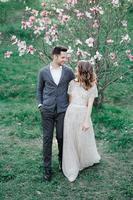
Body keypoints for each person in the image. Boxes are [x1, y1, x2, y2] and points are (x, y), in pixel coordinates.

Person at [37, 46, 75, 181]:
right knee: (47, 139)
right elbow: (39, 90)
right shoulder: (43, 72)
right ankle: (47, 169)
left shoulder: (69, 72)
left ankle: (62, 163)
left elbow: (75, 85)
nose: (65, 59)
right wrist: (40, 104)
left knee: (61, 137)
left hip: (63, 111)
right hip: (46, 110)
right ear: (55, 56)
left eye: (66, 57)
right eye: (63, 57)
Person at [62, 60, 101, 182]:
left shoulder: (92, 86)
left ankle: (83, 159)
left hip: (83, 114)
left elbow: (89, 105)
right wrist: (70, 114)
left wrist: (86, 121)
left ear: (82, 70)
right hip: (71, 113)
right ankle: (73, 162)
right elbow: (70, 101)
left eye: (77, 68)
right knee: (71, 138)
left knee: (82, 139)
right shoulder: (72, 83)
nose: (75, 70)